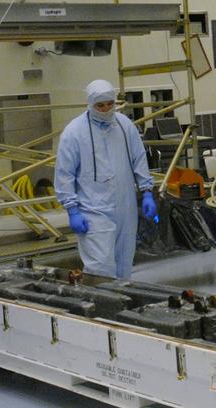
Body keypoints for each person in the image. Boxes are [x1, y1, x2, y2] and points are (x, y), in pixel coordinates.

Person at [54, 79, 156, 279]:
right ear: (90, 104)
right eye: (100, 105)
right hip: (93, 210)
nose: (106, 109)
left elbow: (139, 158)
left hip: (125, 209)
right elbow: (64, 173)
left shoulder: (125, 125)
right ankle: (101, 308)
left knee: (124, 264)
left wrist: (147, 192)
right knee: (100, 267)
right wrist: (72, 209)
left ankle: (122, 306)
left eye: (110, 104)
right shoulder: (74, 132)